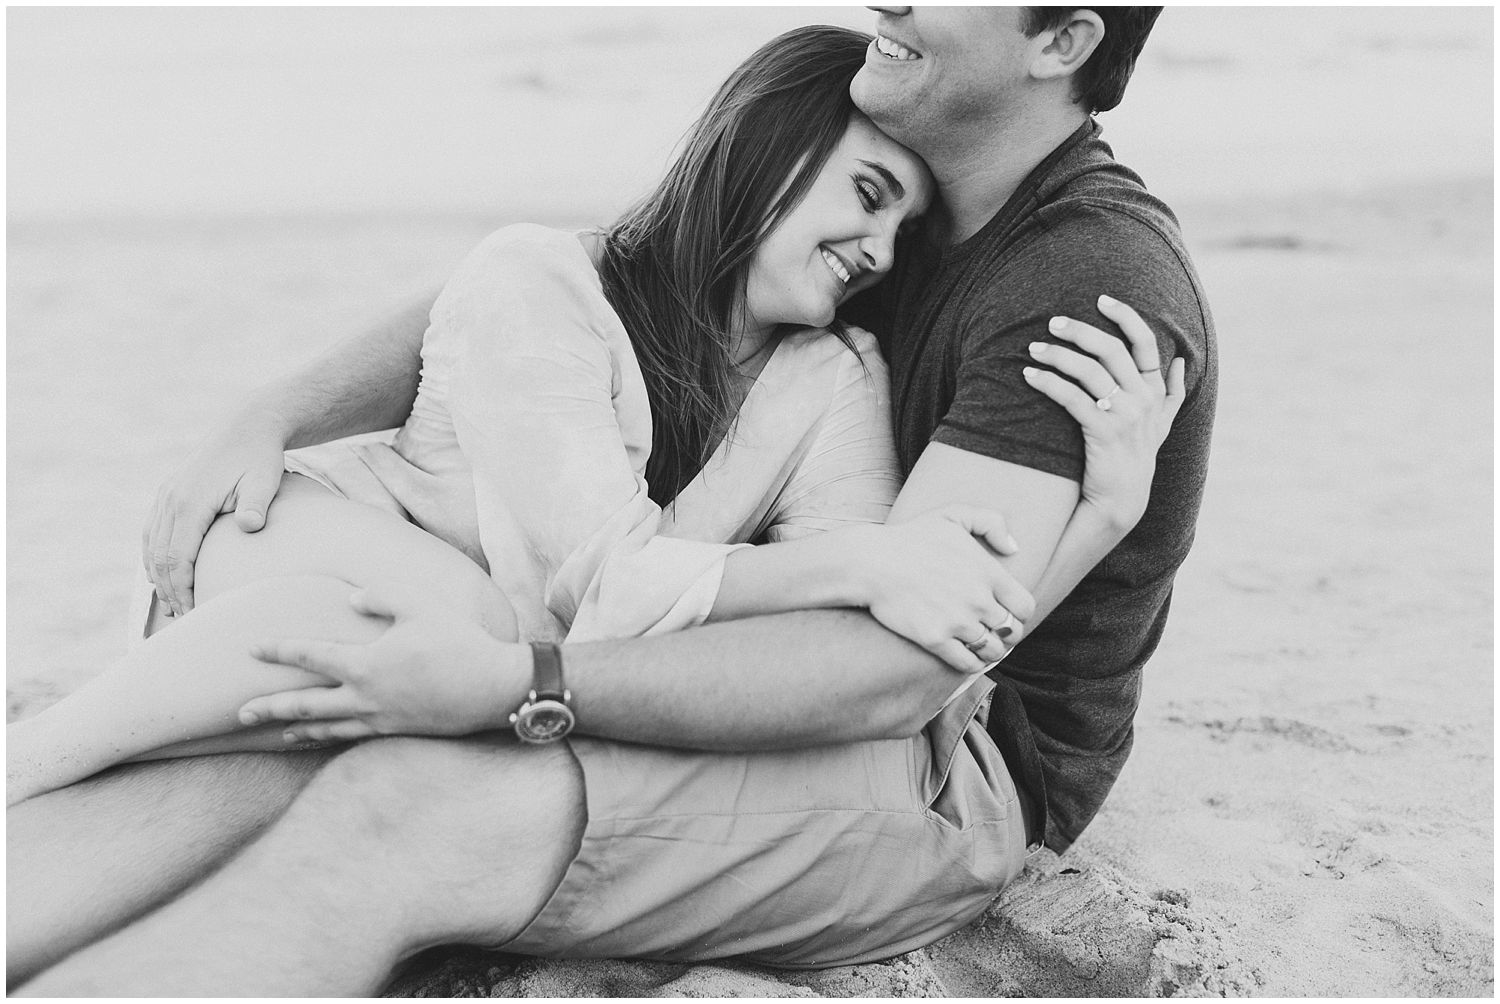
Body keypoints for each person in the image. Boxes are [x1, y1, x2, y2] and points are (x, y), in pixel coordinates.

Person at [8, 7, 1213, 996]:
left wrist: (520, 687)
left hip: (949, 769)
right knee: (322, 716)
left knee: (400, 792)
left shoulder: (1074, 287)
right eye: (863, 197)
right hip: (737, 652)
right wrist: (271, 409)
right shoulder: (898, 186)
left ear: (1062, 41)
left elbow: (899, 665)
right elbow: (579, 276)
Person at [9, 25, 1063, 806]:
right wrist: (866, 566)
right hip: (297, 555)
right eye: (870, 193)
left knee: (439, 716)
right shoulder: (541, 283)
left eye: (904, 231)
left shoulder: (830, 378)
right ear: (765, 147)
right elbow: (608, 586)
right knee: (466, 644)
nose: (879, 249)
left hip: (458, 673)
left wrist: (1090, 515)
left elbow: (841, 632)